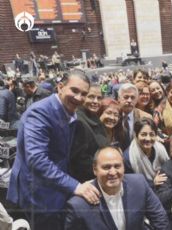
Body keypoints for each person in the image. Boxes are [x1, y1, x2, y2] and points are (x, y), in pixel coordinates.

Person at [7, 71, 101, 229]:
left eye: (84, 94)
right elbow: (37, 160)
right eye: (74, 90)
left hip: (55, 188)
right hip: (38, 194)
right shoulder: (40, 113)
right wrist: (75, 186)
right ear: (60, 87)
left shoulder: (69, 110)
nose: (79, 97)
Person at [64, 146, 169, 230]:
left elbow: (160, 218)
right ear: (95, 170)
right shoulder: (78, 205)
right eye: (106, 167)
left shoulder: (139, 184)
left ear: (124, 166)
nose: (113, 172)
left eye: (117, 166)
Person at [70, 84, 108, 182]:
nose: (95, 101)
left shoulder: (93, 117)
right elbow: (79, 160)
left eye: (99, 98)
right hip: (88, 180)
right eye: (91, 97)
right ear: (83, 97)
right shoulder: (78, 121)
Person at [124, 118, 169, 187]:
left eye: (151, 134)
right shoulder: (128, 158)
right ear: (136, 135)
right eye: (143, 134)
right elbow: (131, 184)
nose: (148, 139)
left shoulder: (161, 148)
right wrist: (152, 183)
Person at [118, 83, 152, 150]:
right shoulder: (113, 116)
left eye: (132, 97)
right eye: (126, 97)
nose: (129, 100)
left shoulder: (146, 117)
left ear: (136, 100)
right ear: (119, 98)